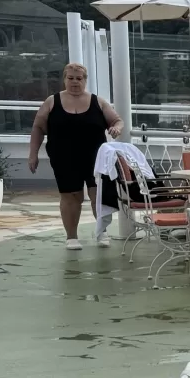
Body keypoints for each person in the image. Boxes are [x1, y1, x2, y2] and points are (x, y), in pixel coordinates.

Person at [27, 63, 124, 250]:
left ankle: (102, 232)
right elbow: (38, 128)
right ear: (64, 79)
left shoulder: (98, 101)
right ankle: (71, 237)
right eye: (70, 78)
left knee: (97, 194)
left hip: (96, 157)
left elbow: (117, 120)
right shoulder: (52, 101)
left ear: (85, 80)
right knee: (71, 196)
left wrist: (116, 128)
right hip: (64, 157)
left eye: (79, 78)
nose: (74, 82)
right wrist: (33, 155)